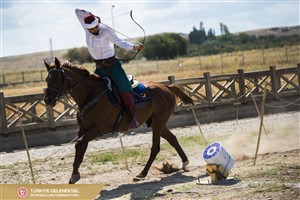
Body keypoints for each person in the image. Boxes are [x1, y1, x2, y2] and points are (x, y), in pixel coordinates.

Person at [75, 9, 144, 129]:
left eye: (95, 27)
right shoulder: (86, 29)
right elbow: (77, 11)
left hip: (113, 67)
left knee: (124, 88)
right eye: (91, 29)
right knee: (91, 89)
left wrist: (134, 47)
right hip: (99, 68)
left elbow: (119, 42)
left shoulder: (106, 30)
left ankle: (133, 117)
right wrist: (90, 14)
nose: (94, 30)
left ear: (97, 24)